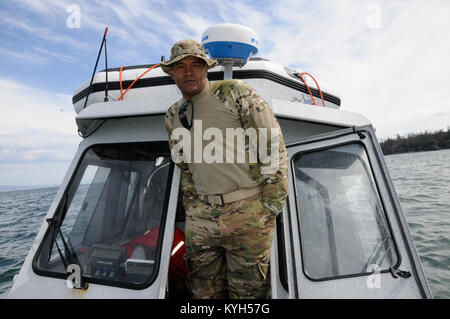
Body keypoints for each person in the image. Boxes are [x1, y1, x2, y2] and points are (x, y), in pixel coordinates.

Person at [163, 39, 288, 299]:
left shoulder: (233, 93)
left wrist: (268, 210)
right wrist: (192, 207)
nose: (189, 72)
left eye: (196, 65)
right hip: (202, 217)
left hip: (249, 214)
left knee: (249, 293)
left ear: (206, 69)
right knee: (201, 291)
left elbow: (272, 148)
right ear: (172, 72)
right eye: (181, 66)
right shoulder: (172, 115)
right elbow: (184, 168)